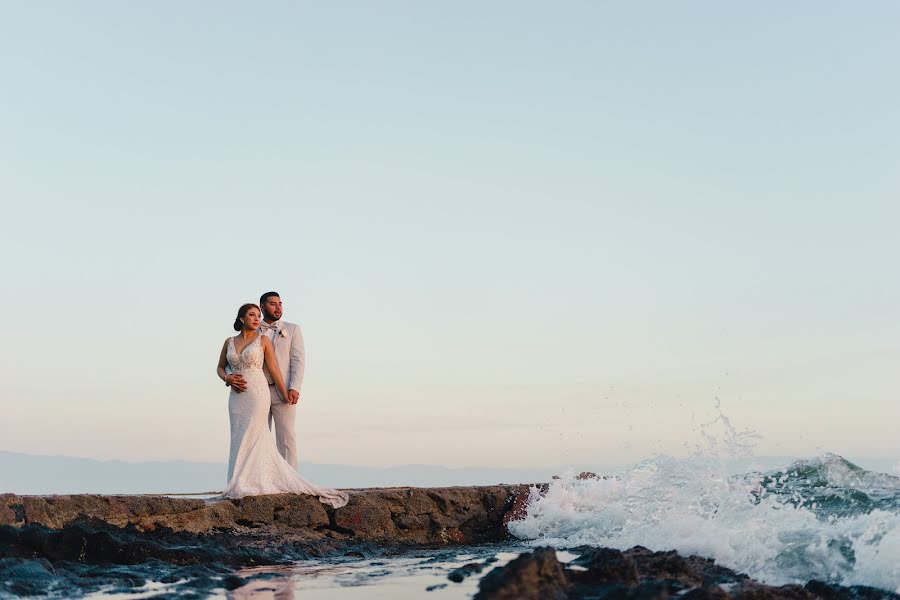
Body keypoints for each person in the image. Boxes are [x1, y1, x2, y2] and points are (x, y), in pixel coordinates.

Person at [216, 303, 348, 507]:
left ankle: (256, 480)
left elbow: (275, 369)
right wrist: (228, 378)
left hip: (257, 393)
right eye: (252, 315)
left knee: (257, 434)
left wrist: (286, 392)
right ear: (242, 318)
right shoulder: (229, 342)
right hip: (236, 396)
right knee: (238, 435)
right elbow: (219, 367)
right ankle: (238, 481)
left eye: (258, 316)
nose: (256, 319)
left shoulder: (264, 340)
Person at [257, 291, 305, 469]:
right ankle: (263, 477)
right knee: (259, 435)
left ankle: (291, 479)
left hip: (284, 390)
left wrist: (294, 387)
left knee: (286, 436)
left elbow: (298, 361)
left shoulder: (292, 329)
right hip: (257, 390)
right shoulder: (252, 330)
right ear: (262, 307)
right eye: (272, 304)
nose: (278, 307)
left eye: (280, 303)